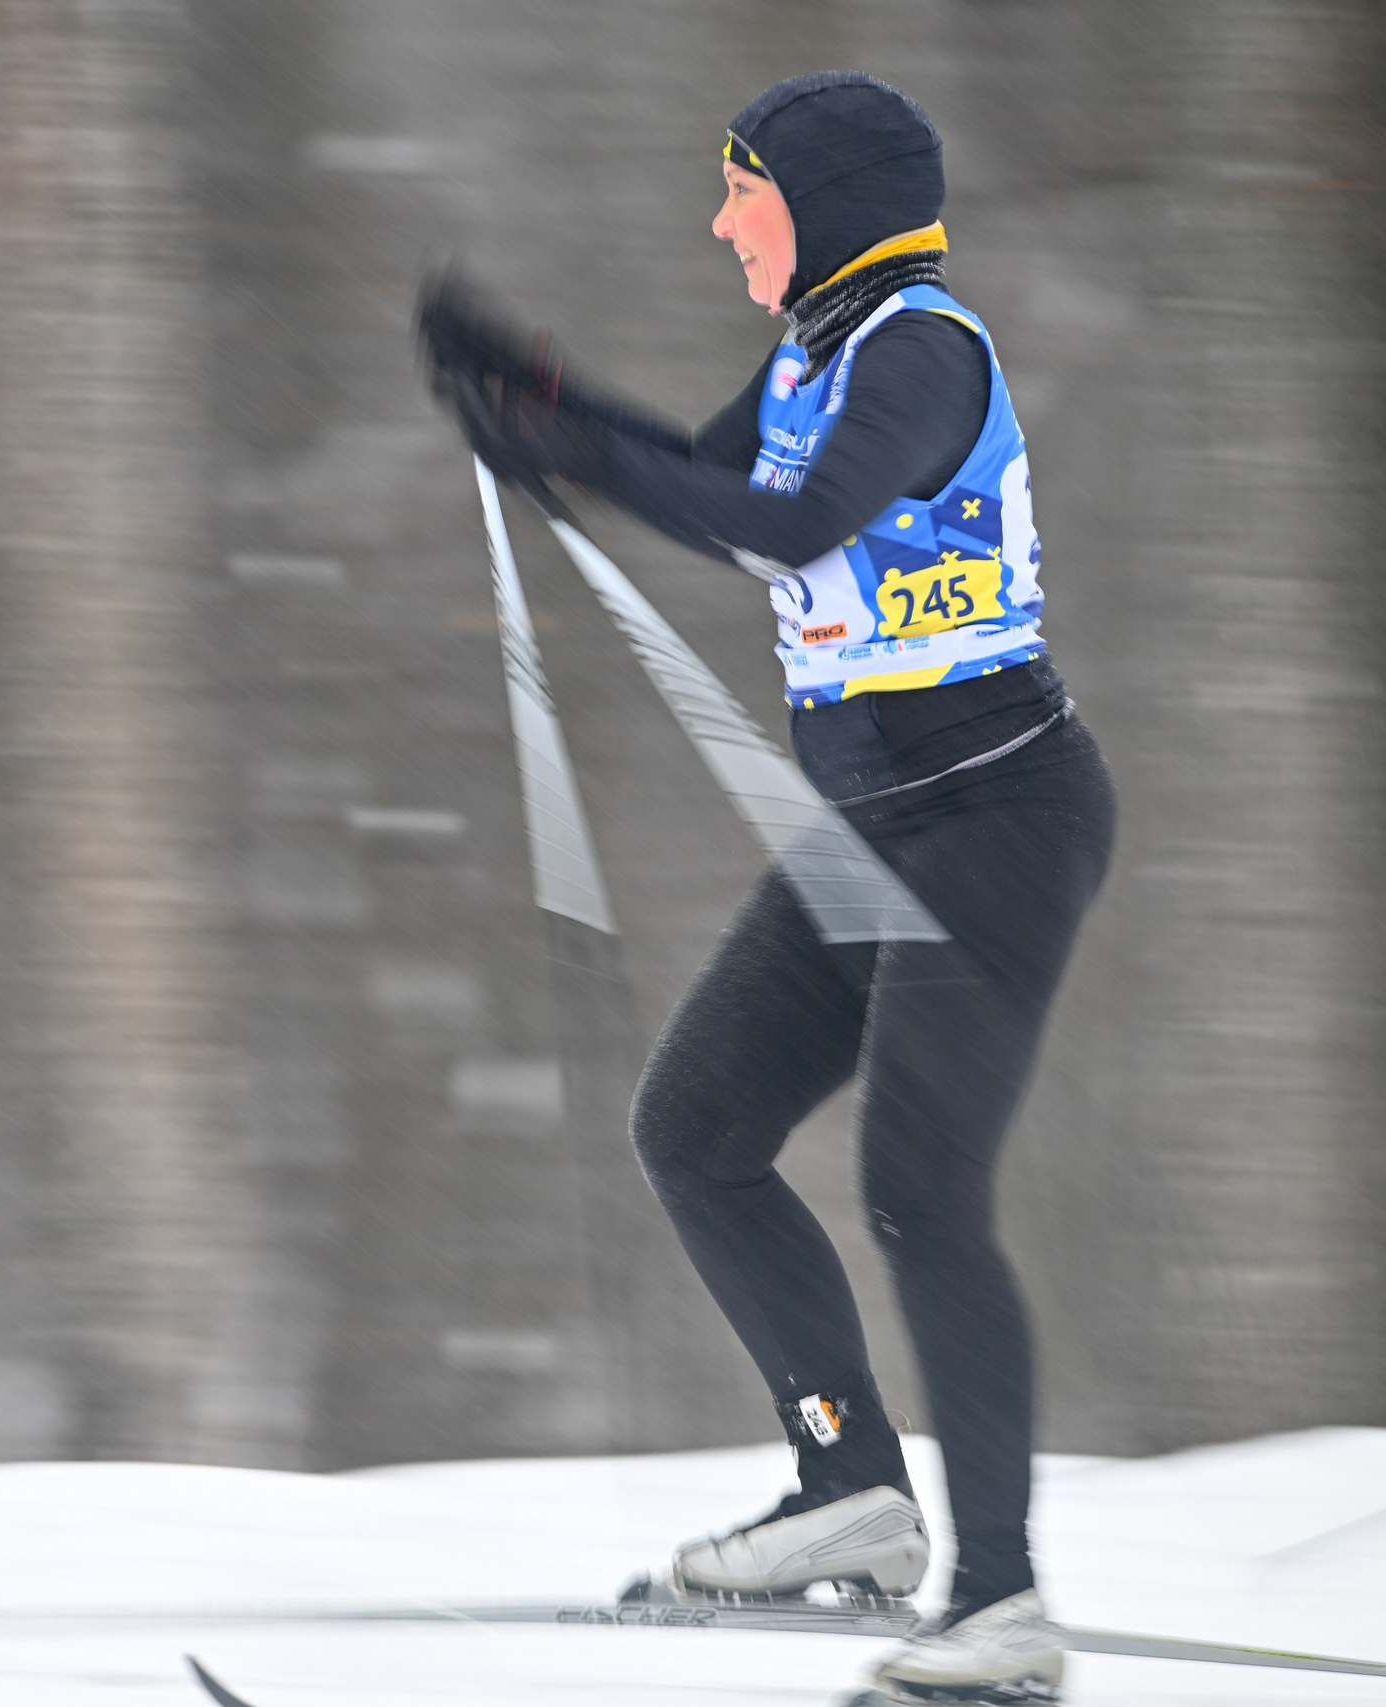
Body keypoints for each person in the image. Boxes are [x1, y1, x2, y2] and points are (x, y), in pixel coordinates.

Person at [418, 71, 1115, 1707]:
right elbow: (702, 477)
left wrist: (569, 440)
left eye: (745, 193)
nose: (722, 221)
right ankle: (850, 1497)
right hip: (877, 824)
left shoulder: (923, 352)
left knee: (918, 1189)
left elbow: (792, 521)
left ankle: (1002, 1609)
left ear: (828, 205)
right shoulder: (816, 352)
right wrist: (530, 396)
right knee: (698, 1132)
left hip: (999, 819)